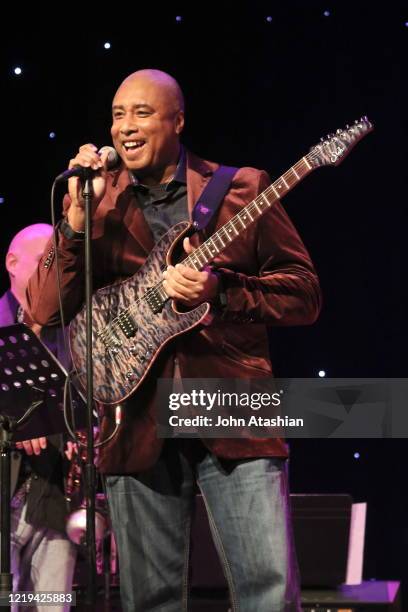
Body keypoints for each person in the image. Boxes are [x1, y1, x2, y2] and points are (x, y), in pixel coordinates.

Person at [27, 69, 322, 611]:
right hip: (135, 419)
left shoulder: (241, 188)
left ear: (178, 120)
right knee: (151, 602)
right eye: (117, 115)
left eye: (142, 112)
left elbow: (304, 294)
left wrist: (223, 291)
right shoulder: (98, 203)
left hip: (232, 406)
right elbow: (45, 309)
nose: (125, 127)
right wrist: (73, 219)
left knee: (269, 594)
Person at [0, 223, 76, 611]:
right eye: (45, 260)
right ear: (11, 263)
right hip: (4, 495)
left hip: (56, 497)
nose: (54, 272)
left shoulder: (73, 330)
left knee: (53, 605)